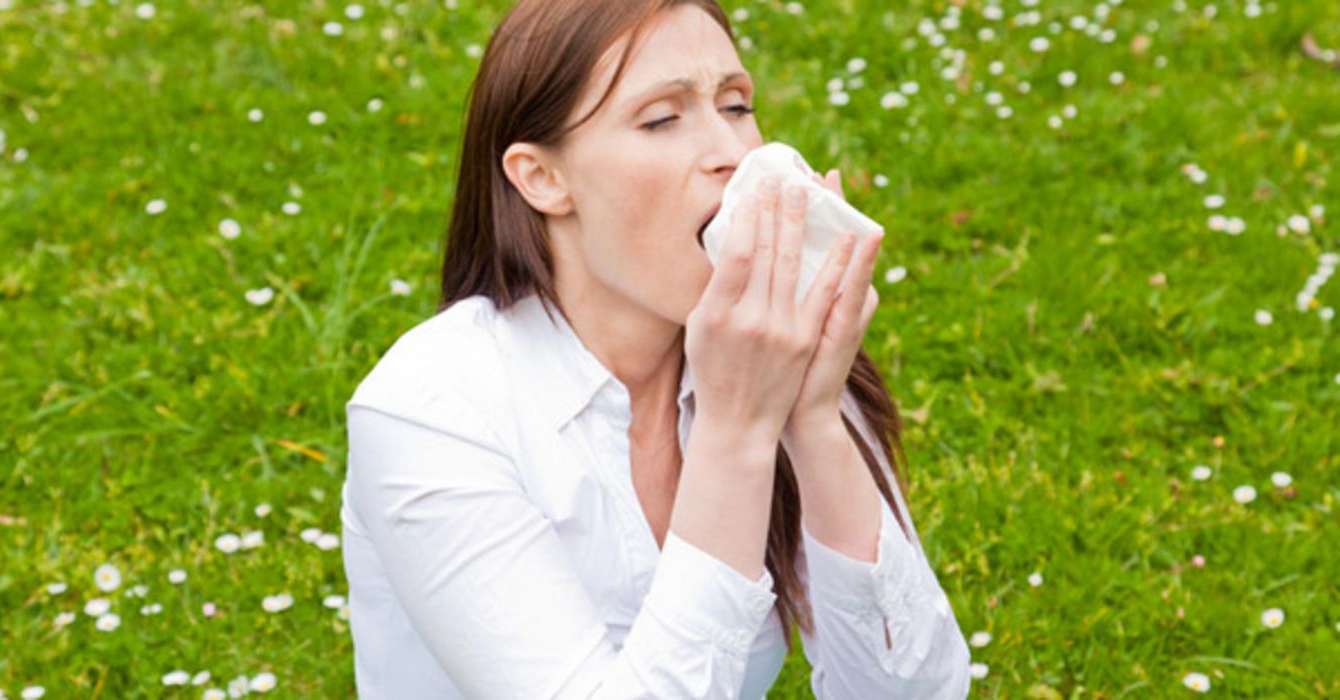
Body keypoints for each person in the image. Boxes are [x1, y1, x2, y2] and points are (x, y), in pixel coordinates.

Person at [339, 0, 972, 697]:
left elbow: (914, 692)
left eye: (735, 106)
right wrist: (736, 434)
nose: (733, 155)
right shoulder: (430, 412)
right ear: (541, 178)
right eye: (661, 119)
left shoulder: (761, 350)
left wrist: (813, 417)